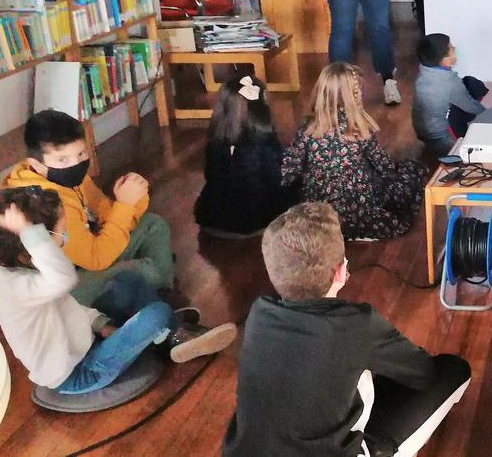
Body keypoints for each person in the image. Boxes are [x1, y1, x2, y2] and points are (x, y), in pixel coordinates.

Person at [222, 202, 471, 456]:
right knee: (453, 369)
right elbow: (423, 373)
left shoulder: (259, 313)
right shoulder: (356, 325)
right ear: (342, 272)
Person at [0, 187, 235, 395]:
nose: (65, 238)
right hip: (81, 372)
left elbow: (69, 309)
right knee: (157, 312)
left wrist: (102, 324)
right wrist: (31, 234)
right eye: (60, 234)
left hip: (88, 342)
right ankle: (171, 334)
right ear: (30, 249)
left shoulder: (30, 272)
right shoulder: (14, 287)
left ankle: (168, 335)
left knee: (127, 280)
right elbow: (63, 279)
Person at [2, 110, 174, 306]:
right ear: (37, 164)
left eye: (81, 153)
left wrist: (132, 199)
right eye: (62, 160)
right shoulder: (42, 203)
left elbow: (102, 212)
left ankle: (162, 298)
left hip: (82, 256)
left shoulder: (65, 176)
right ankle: (159, 304)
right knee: (145, 271)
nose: (76, 164)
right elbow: (96, 259)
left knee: (153, 224)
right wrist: (125, 205)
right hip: (57, 291)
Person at [282, 62, 428, 241]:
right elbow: (385, 168)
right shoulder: (360, 127)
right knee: (414, 169)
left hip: (320, 213)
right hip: (360, 210)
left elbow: (290, 170)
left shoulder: (307, 126)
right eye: (358, 90)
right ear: (353, 96)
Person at [195, 75, 296, 237]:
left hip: (212, 219)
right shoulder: (264, 142)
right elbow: (277, 178)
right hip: (253, 221)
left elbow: (210, 175)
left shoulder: (215, 142)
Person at [412, 33, 492, 157]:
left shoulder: (422, 74)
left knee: (469, 82)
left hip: (424, 135)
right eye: (451, 48)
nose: (454, 48)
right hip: (446, 142)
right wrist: (488, 116)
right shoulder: (450, 82)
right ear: (445, 60)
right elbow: (472, 107)